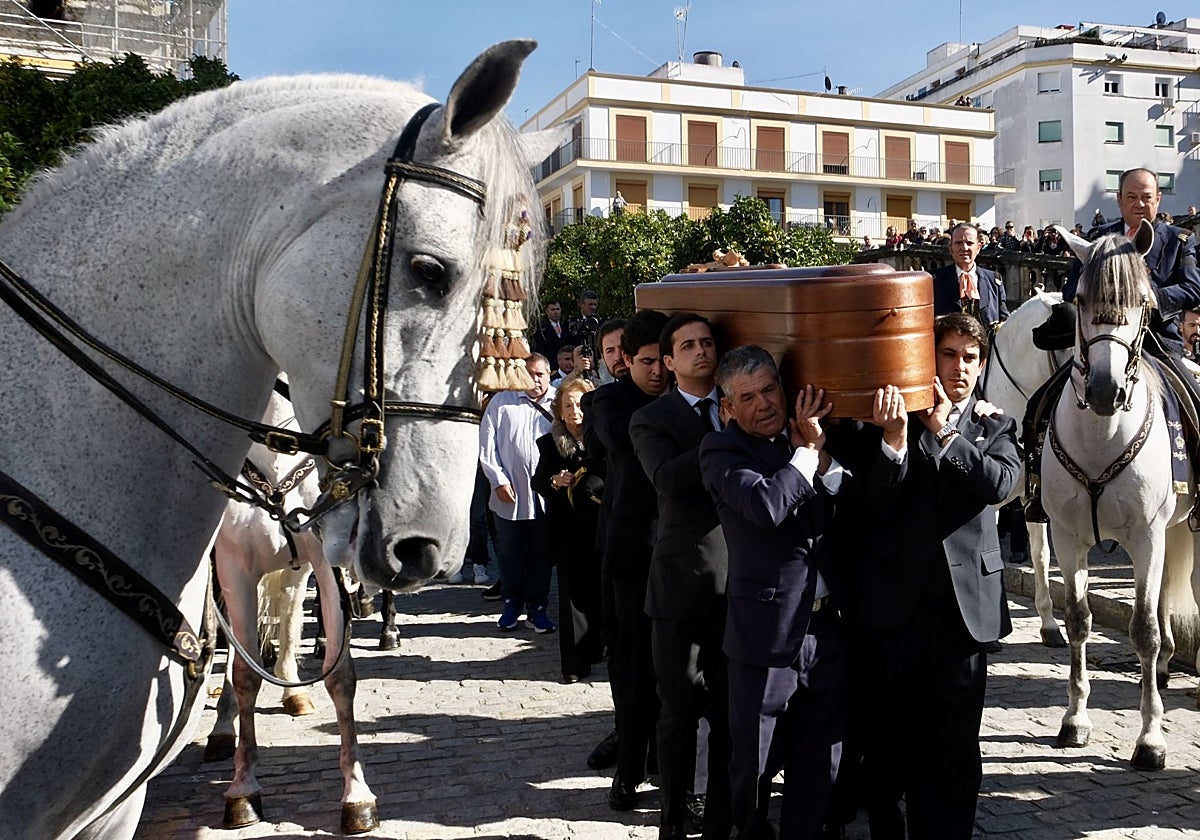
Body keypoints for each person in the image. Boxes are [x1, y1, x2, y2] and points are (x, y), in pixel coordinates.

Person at [838, 313, 1018, 839]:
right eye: (948, 354)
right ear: (928, 356)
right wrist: (897, 438)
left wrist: (945, 429)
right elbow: (874, 503)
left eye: (969, 357)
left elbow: (998, 483)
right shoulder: (891, 420)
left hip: (966, 616)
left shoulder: (994, 425)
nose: (959, 367)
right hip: (897, 611)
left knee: (956, 745)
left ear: (981, 365)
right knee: (889, 738)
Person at [699, 347, 849, 840]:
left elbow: (843, 511)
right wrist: (806, 452)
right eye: (748, 396)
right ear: (727, 408)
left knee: (820, 757)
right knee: (754, 764)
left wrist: (822, 457)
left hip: (825, 632)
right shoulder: (721, 452)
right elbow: (767, 506)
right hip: (764, 637)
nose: (764, 404)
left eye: (770, 389)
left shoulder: (808, 441)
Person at [630, 314, 732, 840]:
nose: (701, 352)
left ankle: (721, 813)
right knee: (679, 711)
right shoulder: (652, 418)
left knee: (729, 710)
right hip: (681, 585)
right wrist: (727, 436)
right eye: (688, 346)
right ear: (669, 362)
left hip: (739, 585)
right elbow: (667, 478)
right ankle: (672, 815)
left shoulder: (740, 404)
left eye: (708, 343)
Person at [582, 309, 671, 810]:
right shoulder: (611, 400)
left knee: (674, 670)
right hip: (631, 554)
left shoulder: (683, 402)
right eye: (646, 362)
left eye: (664, 360)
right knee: (632, 667)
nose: (657, 372)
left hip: (677, 554)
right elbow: (619, 440)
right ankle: (629, 769)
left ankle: (664, 758)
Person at [532, 376, 606, 683]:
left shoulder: (603, 437)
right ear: (559, 411)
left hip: (603, 527)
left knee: (602, 592)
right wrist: (555, 481)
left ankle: (599, 647)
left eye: (579, 404)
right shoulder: (550, 444)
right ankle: (574, 663)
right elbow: (538, 481)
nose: (575, 410)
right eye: (568, 405)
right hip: (568, 530)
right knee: (573, 596)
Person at [478, 353, 557, 633]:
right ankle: (512, 602)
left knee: (541, 555)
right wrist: (498, 480)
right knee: (509, 553)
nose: (535, 379)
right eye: (529, 374)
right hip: (509, 496)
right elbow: (487, 446)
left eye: (540, 374)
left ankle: (538, 608)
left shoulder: (560, 402)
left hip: (548, 497)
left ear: (549, 374)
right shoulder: (502, 401)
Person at [932, 222, 1009, 329]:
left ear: (978, 247)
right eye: (958, 243)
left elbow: (1005, 321)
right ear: (950, 248)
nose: (964, 248)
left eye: (969, 243)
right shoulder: (934, 281)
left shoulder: (994, 280)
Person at [531, 300, 572, 365]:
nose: (556, 312)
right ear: (547, 312)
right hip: (550, 363)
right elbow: (540, 349)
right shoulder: (541, 329)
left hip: (566, 364)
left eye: (557, 309)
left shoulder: (566, 327)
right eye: (552, 310)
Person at [568, 290, 603, 360]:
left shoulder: (601, 323)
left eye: (595, 305)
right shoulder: (572, 322)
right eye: (590, 304)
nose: (593, 307)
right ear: (581, 304)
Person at [598, 317, 630, 382]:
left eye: (623, 348)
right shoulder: (603, 391)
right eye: (610, 351)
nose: (618, 357)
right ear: (603, 357)